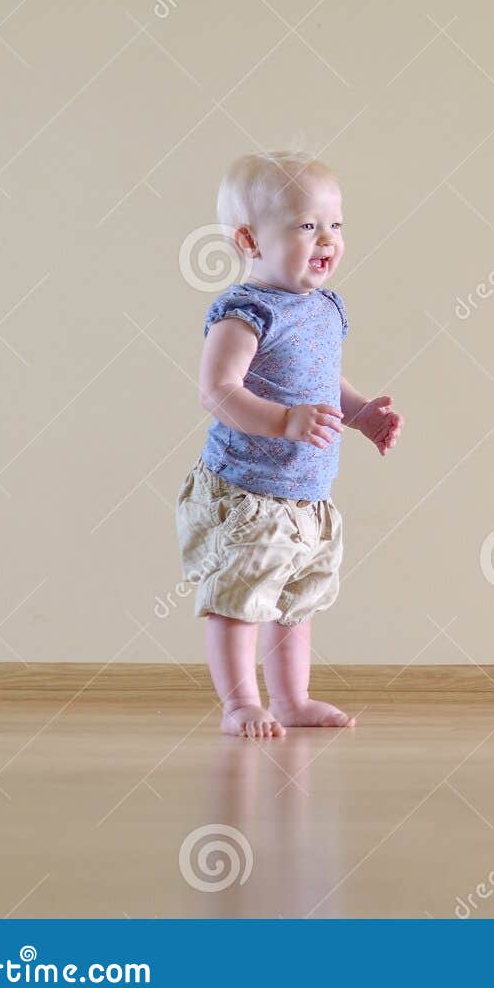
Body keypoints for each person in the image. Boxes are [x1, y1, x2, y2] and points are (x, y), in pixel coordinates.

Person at [177, 151, 402, 738]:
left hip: (306, 495)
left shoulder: (325, 306)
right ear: (250, 239)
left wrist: (360, 415)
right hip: (247, 491)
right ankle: (240, 704)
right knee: (240, 600)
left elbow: (325, 384)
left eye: (335, 224)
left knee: (294, 602)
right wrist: (283, 423)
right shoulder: (244, 311)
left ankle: (292, 699)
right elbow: (216, 390)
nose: (326, 238)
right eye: (307, 226)